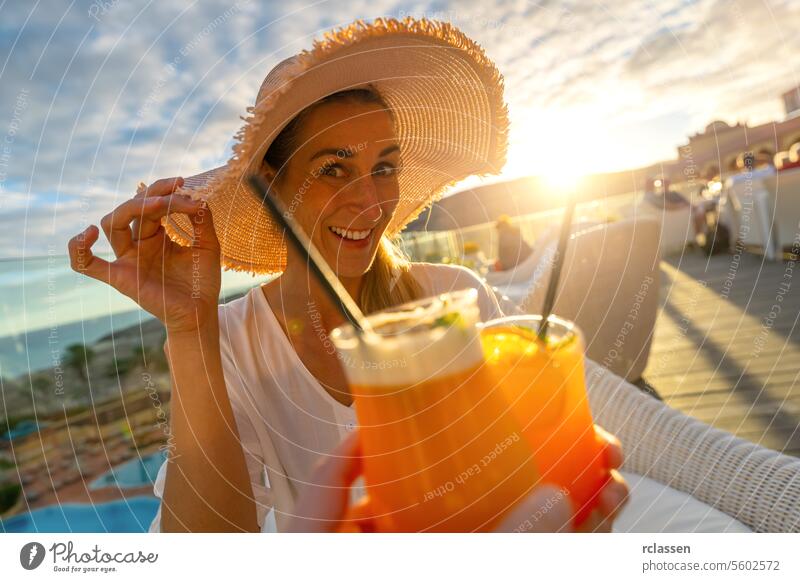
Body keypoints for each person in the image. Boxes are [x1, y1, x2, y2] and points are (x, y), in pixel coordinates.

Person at [67, 16, 628, 533]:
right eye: (333, 168)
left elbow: (527, 466)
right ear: (273, 187)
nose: (369, 200)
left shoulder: (455, 297)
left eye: (384, 167)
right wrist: (190, 331)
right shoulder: (230, 343)